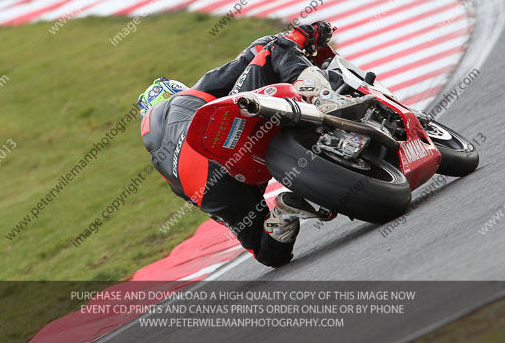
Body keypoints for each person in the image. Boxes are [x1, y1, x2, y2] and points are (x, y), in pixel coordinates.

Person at [138, 21, 352, 267]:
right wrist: (303, 34)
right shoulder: (185, 98)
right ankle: (327, 101)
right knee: (275, 48)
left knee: (267, 253)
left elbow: (207, 206)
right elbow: (253, 53)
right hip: (220, 137)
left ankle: (283, 215)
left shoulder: (161, 166)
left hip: (209, 188)